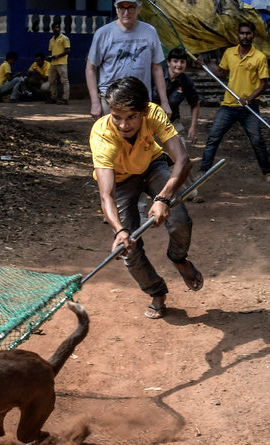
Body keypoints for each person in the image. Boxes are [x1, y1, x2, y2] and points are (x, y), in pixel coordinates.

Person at [89, 76, 203, 320]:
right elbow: (106, 195)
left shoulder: (154, 113)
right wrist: (119, 230)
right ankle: (156, 291)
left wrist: (163, 198)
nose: (123, 124)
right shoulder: (101, 134)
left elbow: (183, 161)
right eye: (117, 116)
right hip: (120, 181)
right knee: (128, 249)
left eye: (132, 116)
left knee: (180, 219)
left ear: (144, 111)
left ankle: (178, 258)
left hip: (152, 165)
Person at [199, 21, 270, 183]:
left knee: (257, 140)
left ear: (253, 35)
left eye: (248, 33)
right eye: (242, 33)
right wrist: (205, 66)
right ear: (238, 35)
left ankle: (268, 172)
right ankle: (204, 170)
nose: (245, 36)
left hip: (250, 108)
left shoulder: (259, 57)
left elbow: (264, 84)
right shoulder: (229, 53)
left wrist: (249, 99)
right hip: (228, 106)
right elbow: (221, 73)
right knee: (213, 137)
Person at [85, 0, 172, 121]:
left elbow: (157, 68)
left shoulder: (150, 31)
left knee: (142, 133)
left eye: (131, 7)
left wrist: (165, 102)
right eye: (121, 7)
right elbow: (90, 68)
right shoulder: (103, 33)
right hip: (110, 99)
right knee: (111, 133)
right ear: (116, 9)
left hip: (140, 99)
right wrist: (95, 102)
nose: (126, 13)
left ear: (139, 9)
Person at [156, 47, 204, 202]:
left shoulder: (186, 81)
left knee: (182, 158)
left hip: (171, 124)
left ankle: (191, 192)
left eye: (182, 62)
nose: (178, 65)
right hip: (150, 124)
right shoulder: (155, 76)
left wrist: (193, 127)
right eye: (175, 61)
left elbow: (195, 103)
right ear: (168, 63)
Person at [46, 22, 71, 104]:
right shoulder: (51, 40)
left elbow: (68, 51)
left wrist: (57, 56)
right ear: (52, 29)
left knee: (64, 81)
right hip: (53, 63)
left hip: (62, 63)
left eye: (57, 27)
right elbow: (50, 51)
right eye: (54, 27)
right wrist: (50, 57)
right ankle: (53, 97)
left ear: (60, 28)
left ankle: (65, 99)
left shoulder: (64, 38)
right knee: (51, 81)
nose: (55, 29)